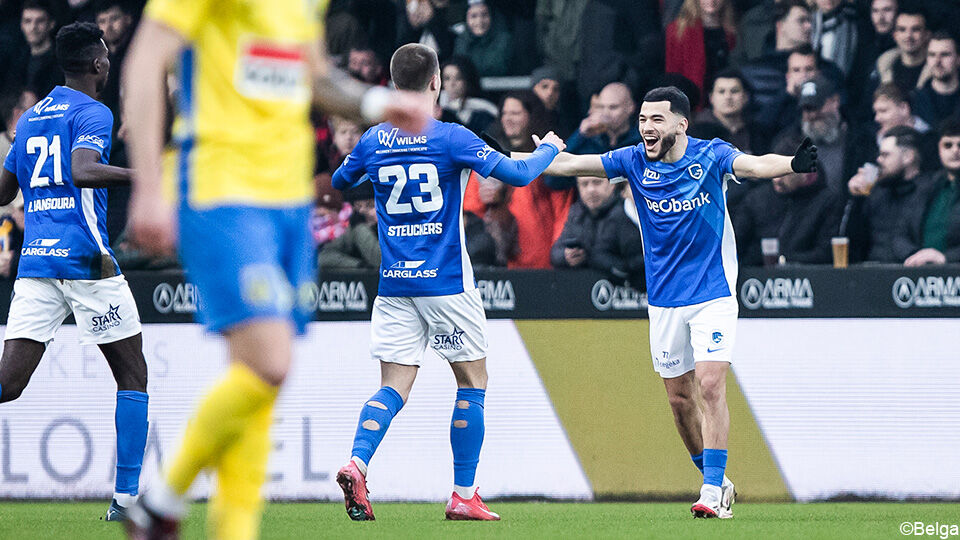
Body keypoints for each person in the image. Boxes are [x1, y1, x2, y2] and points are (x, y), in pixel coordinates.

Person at [120, 0, 431, 537]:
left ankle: (231, 529)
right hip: (221, 187)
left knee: (258, 381)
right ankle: (163, 497)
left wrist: (380, 102)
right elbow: (145, 63)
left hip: (289, 202)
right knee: (271, 363)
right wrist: (148, 187)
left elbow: (316, 80)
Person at [523, 85, 819, 518]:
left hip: (713, 293)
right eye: (642, 120)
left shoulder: (711, 155)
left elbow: (754, 165)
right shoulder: (633, 160)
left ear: (681, 124)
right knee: (680, 401)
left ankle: (712, 492)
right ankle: (716, 477)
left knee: (711, 384)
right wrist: (512, 160)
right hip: (663, 300)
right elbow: (569, 164)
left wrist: (791, 163)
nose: (646, 127)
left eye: (656, 120)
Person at [330, 43, 565, 522]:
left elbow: (339, 180)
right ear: (435, 83)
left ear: (392, 86)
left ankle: (357, 462)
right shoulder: (451, 137)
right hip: (447, 284)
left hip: (394, 287)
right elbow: (519, 174)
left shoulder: (374, 139)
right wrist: (549, 149)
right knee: (472, 381)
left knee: (393, 386)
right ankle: (463, 494)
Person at [0, 22, 148, 523]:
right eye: (106, 57)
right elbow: (84, 170)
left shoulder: (31, 117)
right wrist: (142, 174)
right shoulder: (93, 112)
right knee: (132, 374)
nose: (108, 63)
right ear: (97, 64)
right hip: (87, 262)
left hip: (36, 262)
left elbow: (2, 191)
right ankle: (125, 503)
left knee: (8, 383)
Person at [847, 126, 930, 263]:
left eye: (886, 155)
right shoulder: (876, 193)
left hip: (913, 274)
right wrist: (856, 200)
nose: (879, 160)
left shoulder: (930, 192)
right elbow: (853, 244)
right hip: (871, 273)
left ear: (908, 157)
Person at [550, 176, 643, 282]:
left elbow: (639, 261)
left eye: (597, 182)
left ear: (612, 184)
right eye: (584, 184)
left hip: (630, 290)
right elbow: (555, 253)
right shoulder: (576, 213)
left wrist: (591, 257)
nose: (591, 190)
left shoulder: (627, 212)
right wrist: (566, 256)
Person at [907, 119, 960, 266]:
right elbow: (900, 232)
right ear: (939, 149)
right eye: (948, 145)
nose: (955, 151)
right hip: (921, 275)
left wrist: (945, 257)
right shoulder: (925, 186)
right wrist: (915, 255)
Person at [664, 0, 737, 107]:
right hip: (694, 101)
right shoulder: (678, 30)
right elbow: (672, 73)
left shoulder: (732, 30)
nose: (711, 1)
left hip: (725, 97)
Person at [5, 0, 64, 96]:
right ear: (21, 25)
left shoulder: (62, 63)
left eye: (40, 21)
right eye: (27, 21)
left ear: (51, 24)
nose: (33, 27)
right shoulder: (14, 60)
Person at [317, 182, 380, 270]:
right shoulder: (353, 226)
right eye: (358, 206)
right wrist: (359, 265)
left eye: (370, 205)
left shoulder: (391, 227)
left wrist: (361, 229)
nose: (362, 211)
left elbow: (379, 261)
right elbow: (324, 257)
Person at [874, 8, 930, 94]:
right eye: (902, 30)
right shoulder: (881, 69)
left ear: (926, 35)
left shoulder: (937, 72)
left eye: (915, 29)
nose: (908, 36)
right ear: (895, 35)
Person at [911, 32, 960, 128]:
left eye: (945, 55)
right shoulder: (913, 101)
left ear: (958, 59)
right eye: (932, 55)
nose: (937, 61)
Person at [438, 56, 498, 135]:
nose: (452, 84)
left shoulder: (484, 112)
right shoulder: (436, 112)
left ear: (468, 80)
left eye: (458, 78)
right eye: (447, 78)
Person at [452, 0, 512, 77]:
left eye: (484, 15)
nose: (480, 21)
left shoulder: (505, 40)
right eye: (474, 16)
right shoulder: (461, 42)